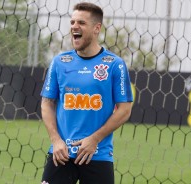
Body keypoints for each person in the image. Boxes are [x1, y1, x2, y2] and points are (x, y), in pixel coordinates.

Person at [40, 2, 133, 184]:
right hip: (61, 153)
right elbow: (47, 103)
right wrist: (56, 140)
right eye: (73, 22)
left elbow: (124, 109)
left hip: (97, 154)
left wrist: (94, 139)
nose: (75, 26)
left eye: (81, 23)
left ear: (96, 28)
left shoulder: (114, 64)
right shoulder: (60, 62)